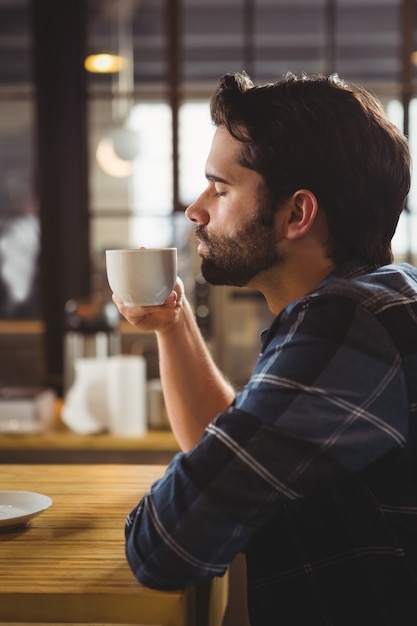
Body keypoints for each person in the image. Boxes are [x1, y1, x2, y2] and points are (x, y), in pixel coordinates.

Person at [113, 71, 417, 625]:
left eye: (220, 188)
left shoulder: (346, 324)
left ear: (297, 214)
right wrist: (172, 322)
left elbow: (166, 545)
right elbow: (238, 454)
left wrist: (170, 495)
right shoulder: (378, 303)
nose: (195, 210)